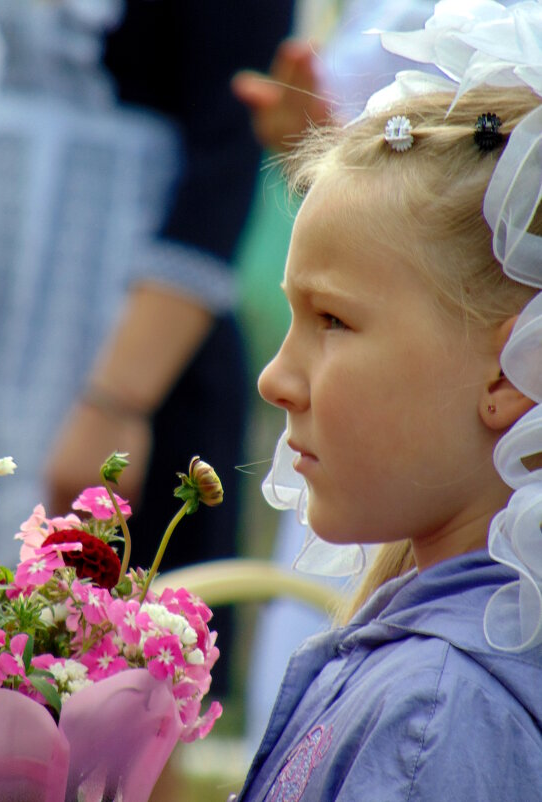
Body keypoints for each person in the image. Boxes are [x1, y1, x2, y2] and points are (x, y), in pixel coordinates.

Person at [230, 1, 542, 799]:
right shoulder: (423, 671)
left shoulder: (436, 716)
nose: (275, 379)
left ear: (510, 372)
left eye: (331, 319)